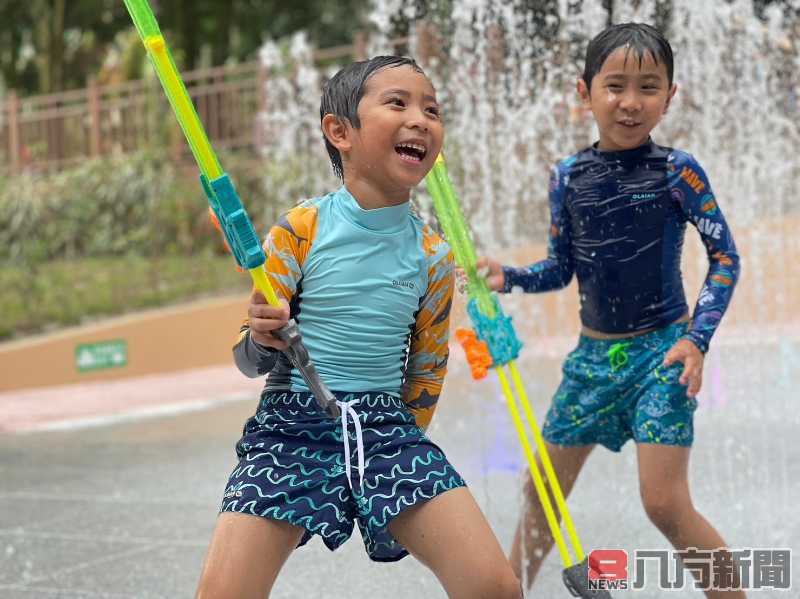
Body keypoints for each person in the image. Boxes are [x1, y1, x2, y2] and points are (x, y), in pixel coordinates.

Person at [195, 56, 521, 599]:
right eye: (398, 103)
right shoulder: (300, 230)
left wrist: (402, 449)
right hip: (291, 426)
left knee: (494, 586)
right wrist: (261, 337)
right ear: (339, 131)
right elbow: (247, 361)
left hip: (386, 433)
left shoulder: (433, 257)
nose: (420, 119)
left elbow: (427, 373)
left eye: (432, 110)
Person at [478, 23, 744, 598]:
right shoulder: (568, 176)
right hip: (593, 362)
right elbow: (562, 267)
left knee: (665, 503)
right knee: (540, 493)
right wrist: (510, 277)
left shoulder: (679, 170)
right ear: (585, 91)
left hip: (663, 353)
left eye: (648, 87)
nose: (630, 102)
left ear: (670, 96)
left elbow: (725, 256)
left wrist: (696, 340)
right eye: (615, 85)